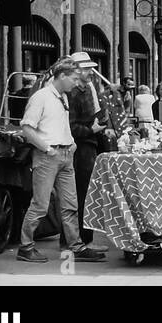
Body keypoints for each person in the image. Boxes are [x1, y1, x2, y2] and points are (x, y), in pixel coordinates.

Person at [17, 58, 105, 264]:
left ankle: (75, 245)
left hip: (65, 153)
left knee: (70, 205)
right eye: (73, 78)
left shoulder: (62, 97)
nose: (76, 82)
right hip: (49, 155)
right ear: (62, 76)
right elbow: (26, 128)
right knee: (40, 204)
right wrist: (47, 149)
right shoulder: (41, 97)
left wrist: (71, 143)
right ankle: (26, 246)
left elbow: (63, 124)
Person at [66, 52, 119, 246]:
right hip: (79, 148)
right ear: (76, 70)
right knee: (81, 193)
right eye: (87, 68)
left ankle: (84, 239)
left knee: (87, 193)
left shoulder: (88, 88)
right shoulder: (71, 93)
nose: (91, 72)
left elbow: (97, 113)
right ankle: (80, 240)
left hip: (89, 144)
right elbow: (70, 126)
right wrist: (92, 129)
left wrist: (103, 128)